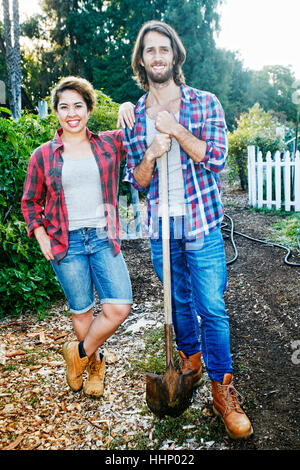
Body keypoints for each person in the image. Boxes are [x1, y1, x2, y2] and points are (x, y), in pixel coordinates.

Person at [119, 20, 253, 439]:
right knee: (177, 302)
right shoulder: (134, 114)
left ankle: (222, 390)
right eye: (149, 51)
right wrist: (151, 152)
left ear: (175, 55)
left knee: (211, 306)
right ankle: (191, 358)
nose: (157, 57)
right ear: (141, 61)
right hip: (162, 224)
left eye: (164, 49)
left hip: (201, 220)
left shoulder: (205, 103)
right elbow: (136, 180)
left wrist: (174, 130)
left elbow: (215, 160)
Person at [22, 76, 132, 398]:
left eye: (78, 106)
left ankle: (78, 354)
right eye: (64, 106)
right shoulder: (42, 155)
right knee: (82, 309)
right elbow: (30, 202)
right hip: (64, 242)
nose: (72, 113)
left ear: (89, 109)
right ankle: (95, 366)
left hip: (102, 235)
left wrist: (127, 107)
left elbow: (138, 133)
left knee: (120, 305)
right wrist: (40, 234)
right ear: (56, 111)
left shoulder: (109, 143)